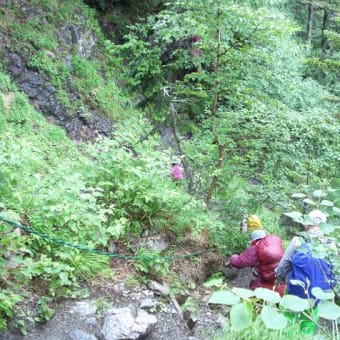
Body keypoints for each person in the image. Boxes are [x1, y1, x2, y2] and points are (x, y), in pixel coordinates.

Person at [276, 209, 336, 335]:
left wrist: (280, 279)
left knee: (287, 319)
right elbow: (335, 270)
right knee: (308, 324)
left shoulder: (298, 241)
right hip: (318, 294)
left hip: (295, 290)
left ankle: (286, 336)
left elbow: (283, 265)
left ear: (307, 224)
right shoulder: (331, 244)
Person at [230, 218, 285, 296]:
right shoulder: (275, 245)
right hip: (280, 284)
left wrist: (233, 257)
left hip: (263, 285)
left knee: (257, 299)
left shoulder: (254, 249)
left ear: (254, 240)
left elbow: (238, 263)